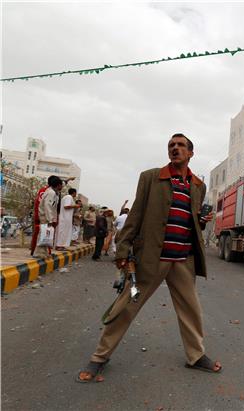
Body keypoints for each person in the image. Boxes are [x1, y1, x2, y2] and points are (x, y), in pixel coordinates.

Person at [78, 133, 220, 383]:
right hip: (152, 259)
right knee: (127, 305)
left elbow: (192, 220)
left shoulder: (198, 185)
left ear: (190, 153)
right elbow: (136, 215)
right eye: (171, 146)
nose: (175, 149)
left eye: (180, 146)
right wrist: (122, 251)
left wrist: (201, 220)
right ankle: (100, 357)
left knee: (191, 310)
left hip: (183, 260)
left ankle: (196, 356)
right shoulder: (151, 178)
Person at [33, 177, 63, 257]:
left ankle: (44, 252)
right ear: (58, 185)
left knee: (46, 236)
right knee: (43, 234)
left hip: (46, 216)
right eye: (61, 185)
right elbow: (48, 206)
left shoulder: (52, 192)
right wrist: (51, 219)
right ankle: (39, 253)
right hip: (45, 217)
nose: (62, 187)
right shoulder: (51, 193)